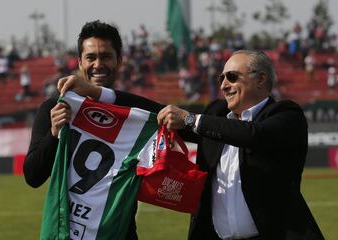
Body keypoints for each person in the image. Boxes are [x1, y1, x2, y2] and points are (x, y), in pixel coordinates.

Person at [61, 50, 325, 240]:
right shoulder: (216, 115)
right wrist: (98, 93)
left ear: (261, 79)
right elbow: (158, 111)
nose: (223, 85)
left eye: (232, 76)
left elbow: (254, 135)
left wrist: (190, 119)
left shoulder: (287, 115)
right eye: (222, 77)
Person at [23, 19, 139, 239]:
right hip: (68, 233)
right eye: (90, 57)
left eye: (106, 56)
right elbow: (33, 176)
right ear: (79, 62)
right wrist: (54, 134)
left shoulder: (133, 113)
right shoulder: (55, 107)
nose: (98, 64)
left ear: (119, 61)